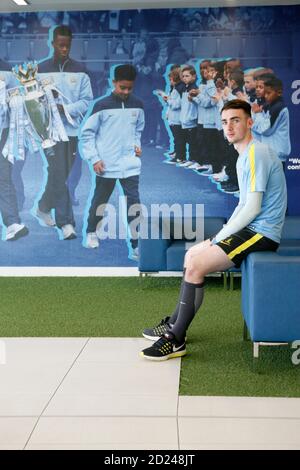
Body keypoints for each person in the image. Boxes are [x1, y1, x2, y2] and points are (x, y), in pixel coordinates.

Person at [141, 99, 287, 361]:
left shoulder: (257, 153)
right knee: (190, 257)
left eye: (236, 120)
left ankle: (175, 340)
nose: (229, 127)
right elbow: (244, 203)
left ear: (249, 122)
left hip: (262, 233)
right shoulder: (244, 155)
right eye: (224, 122)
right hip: (252, 230)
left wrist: (218, 238)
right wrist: (217, 238)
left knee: (196, 264)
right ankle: (175, 324)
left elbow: (253, 208)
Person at [80, 64, 145, 260]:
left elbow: (138, 130)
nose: (125, 92)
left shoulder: (138, 105)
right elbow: (87, 135)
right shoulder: (101, 105)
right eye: (122, 87)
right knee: (100, 200)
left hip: (130, 164)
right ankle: (91, 231)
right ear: (113, 82)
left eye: (129, 88)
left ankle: (136, 244)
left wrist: (136, 144)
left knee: (134, 203)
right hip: (106, 164)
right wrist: (94, 159)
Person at [36, 25, 93, 239]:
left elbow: (86, 101)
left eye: (67, 45)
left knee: (59, 174)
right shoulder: (40, 70)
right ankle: (66, 223)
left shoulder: (81, 70)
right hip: (49, 134)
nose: (64, 49)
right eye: (60, 45)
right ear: (52, 44)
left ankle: (42, 207)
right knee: (60, 173)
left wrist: (64, 110)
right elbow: (34, 102)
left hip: (71, 132)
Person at [0, 60, 29, 241]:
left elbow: (19, 97)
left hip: (2, 133)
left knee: (3, 177)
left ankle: (12, 224)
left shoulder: (6, 69)